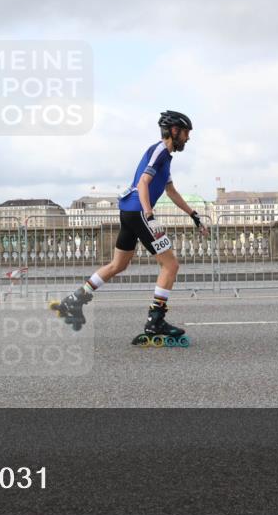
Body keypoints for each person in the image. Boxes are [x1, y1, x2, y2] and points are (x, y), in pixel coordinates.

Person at [51, 111, 209, 344]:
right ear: (174, 131)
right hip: (138, 211)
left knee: (118, 264)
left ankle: (73, 301)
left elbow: (171, 191)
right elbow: (143, 183)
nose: (188, 138)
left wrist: (193, 214)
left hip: (129, 212)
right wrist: (149, 214)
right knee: (171, 265)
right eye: (186, 133)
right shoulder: (160, 151)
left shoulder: (165, 157)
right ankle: (155, 321)